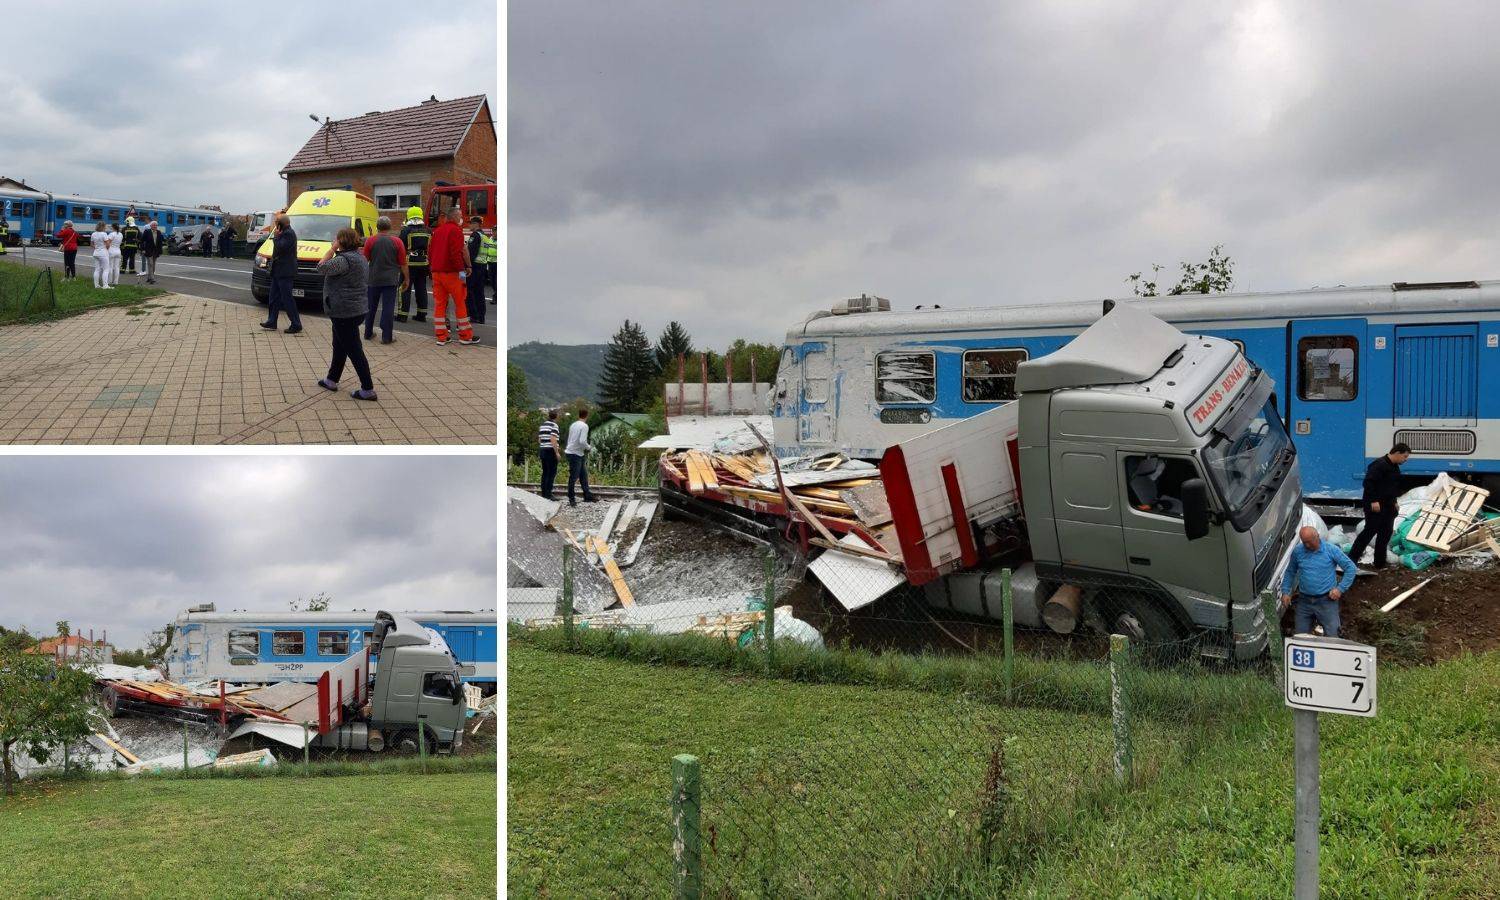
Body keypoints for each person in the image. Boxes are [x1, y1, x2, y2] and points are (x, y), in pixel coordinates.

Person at [314, 227, 377, 401]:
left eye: (337, 239)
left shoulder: (343, 260)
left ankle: (368, 389)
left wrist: (332, 249)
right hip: (356, 309)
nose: (335, 241)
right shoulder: (360, 257)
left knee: (354, 350)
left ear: (342, 241)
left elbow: (320, 267)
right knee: (340, 346)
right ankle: (332, 379)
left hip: (344, 311)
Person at [1280, 525, 1356, 638]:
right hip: (1304, 601)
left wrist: (1340, 589)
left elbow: (1351, 568)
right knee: (1300, 637)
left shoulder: (1331, 550)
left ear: (1317, 537)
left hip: (1326, 601)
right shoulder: (1298, 551)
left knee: (1333, 636)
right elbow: (1290, 572)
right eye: (1304, 542)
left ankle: (1331, 655)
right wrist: (1286, 591)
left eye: (1309, 542)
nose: (1307, 545)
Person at [1348, 443, 1411, 569]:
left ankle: (1379, 563)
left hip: (1388, 506)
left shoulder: (1394, 467)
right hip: (1375, 506)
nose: (1405, 460)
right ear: (1397, 453)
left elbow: (1393, 487)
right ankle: (1351, 560)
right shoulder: (1379, 465)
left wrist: (1395, 502)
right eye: (1404, 456)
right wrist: (1373, 500)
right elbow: (1369, 483)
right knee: (1369, 532)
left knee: (1385, 534)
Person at [429, 206, 478, 345]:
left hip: (436, 273)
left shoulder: (437, 231)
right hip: (454, 273)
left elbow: (431, 252)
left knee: (440, 304)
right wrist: (464, 269)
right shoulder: (456, 230)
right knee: (460, 302)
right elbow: (457, 253)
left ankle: (441, 336)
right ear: (454, 217)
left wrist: (432, 270)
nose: (461, 218)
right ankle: (465, 335)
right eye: (460, 215)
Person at [360, 216, 407, 344]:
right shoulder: (397, 242)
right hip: (391, 280)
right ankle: (387, 337)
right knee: (388, 308)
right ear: (390, 227)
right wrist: (406, 279)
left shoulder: (370, 241)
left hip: (373, 279)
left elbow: (365, 260)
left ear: (377, 226)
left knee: (370, 307)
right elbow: (403, 263)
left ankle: (368, 333)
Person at [260, 214, 303, 334]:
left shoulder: (288, 233)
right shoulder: (283, 233)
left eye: (276, 222)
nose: (275, 224)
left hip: (285, 272)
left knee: (286, 298)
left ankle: (296, 324)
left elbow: (281, 247)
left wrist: (276, 237)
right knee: (273, 297)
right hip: (278, 271)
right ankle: (272, 321)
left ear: (281, 224)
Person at [396, 207, 429, 323]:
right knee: (421, 288)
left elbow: (400, 247)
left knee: (405, 287)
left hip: (409, 264)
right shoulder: (428, 231)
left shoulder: (406, 230)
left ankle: (403, 315)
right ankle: (422, 314)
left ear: (408, 216)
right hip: (424, 263)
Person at [564, 407, 597, 506]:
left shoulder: (573, 425)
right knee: (574, 477)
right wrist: (589, 447)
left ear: (579, 415)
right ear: (587, 415)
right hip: (575, 453)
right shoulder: (584, 426)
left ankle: (587, 495)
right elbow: (582, 441)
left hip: (574, 452)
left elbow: (570, 438)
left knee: (583, 475)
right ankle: (571, 498)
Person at [466, 216, 491, 325]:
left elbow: (471, 253)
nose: (469, 225)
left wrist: (466, 267)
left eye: (471, 223)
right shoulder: (485, 237)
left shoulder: (475, 236)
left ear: (476, 224)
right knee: (479, 293)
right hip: (482, 267)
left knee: (468, 291)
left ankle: (473, 315)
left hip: (474, 267)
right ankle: (481, 317)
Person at [538, 409, 562, 499]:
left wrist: (544, 445)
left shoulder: (542, 425)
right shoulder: (554, 425)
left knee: (545, 472)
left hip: (543, 450)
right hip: (550, 451)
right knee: (552, 472)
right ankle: (549, 493)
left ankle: (544, 492)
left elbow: (539, 439)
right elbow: (553, 438)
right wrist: (556, 452)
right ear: (556, 416)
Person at [139, 220, 164, 284]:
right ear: (150, 226)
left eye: (156, 225)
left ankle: (149, 277)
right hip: (148, 250)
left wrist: (160, 251)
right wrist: (142, 249)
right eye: (153, 225)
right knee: (150, 264)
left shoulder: (159, 232)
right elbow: (141, 241)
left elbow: (160, 243)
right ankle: (152, 279)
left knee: (153, 265)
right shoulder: (147, 232)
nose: (155, 226)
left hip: (156, 251)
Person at [90, 223, 110, 289]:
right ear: (103, 227)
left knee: (97, 269)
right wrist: (105, 249)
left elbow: (91, 244)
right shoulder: (104, 234)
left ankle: (96, 285)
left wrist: (97, 248)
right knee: (106, 269)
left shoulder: (93, 234)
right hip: (103, 253)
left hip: (96, 253)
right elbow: (108, 244)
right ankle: (105, 285)